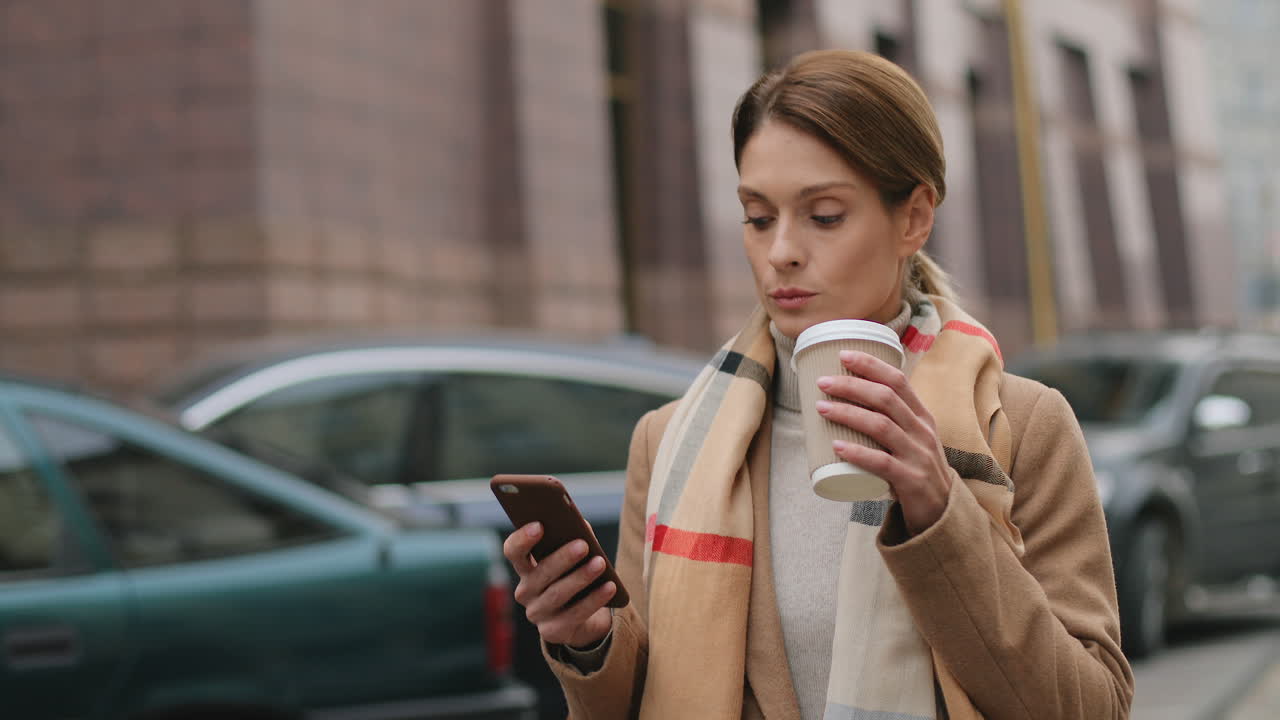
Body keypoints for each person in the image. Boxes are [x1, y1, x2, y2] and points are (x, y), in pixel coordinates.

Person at [502, 49, 1134, 720]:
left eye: (825, 216)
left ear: (914, 218)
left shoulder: (1022, 425)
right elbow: (641, 700)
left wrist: (940, 512)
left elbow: (1091, 707)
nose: (781, 252)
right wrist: (590, 640)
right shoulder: (669, 442)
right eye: (758, 217)